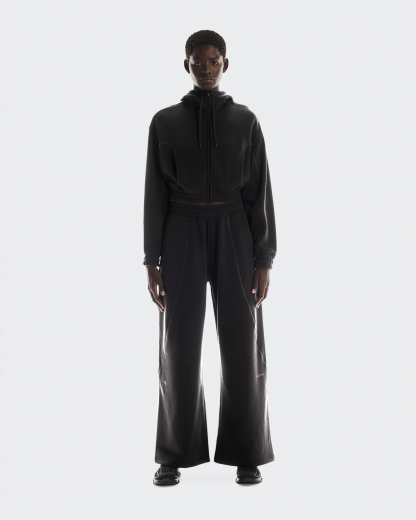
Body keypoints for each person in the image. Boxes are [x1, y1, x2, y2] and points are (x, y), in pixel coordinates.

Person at [143, 30, 277, 486]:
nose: (206, 68)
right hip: (180, 230)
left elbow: (260, 192)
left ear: (225, 64)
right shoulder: (164, 121)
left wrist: (264, 258)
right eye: (198, 62)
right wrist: (151, 259)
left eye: (213, 61)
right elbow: (154, 193)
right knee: (178, 346)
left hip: (234, 231)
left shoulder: (246, 120)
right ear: (186, 65)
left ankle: (247, 453)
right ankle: (173, 455)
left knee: (243, 344)